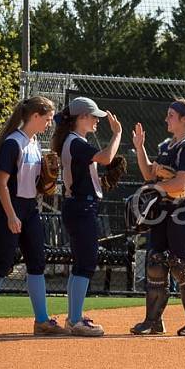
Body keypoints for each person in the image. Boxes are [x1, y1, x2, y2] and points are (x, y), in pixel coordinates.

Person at [0, 96, 60, 337]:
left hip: (29, 209)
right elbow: (1, 184)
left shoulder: (33, 143)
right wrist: (11, 216)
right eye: (47, 119)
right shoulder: (14, 143)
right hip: (7, 209)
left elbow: (32, 184)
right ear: (34, 117)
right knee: (1, 263)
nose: (49, 124)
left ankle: (41, 320)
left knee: (37, 262)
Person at [129, 99, 185, 337]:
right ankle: (153, 321)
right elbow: (148, 173)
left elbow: (181, 182)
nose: (166, 119)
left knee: (180, 265)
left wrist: (154, 189)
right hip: (163, 210)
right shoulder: (168, 145)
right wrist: (140, 147)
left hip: (183, 209)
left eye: (171, 115)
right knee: (155, 262)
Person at [51, 97, 123, 337]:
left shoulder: (73, 141)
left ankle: (74, 317)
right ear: (81, 117)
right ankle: (74, 319)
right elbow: (106, 158)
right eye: (93, 117)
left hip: (79, 206)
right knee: (86, 263)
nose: (96, 121)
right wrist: (118, 135)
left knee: (81, 263)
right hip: (81, 208)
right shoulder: (75, 142)